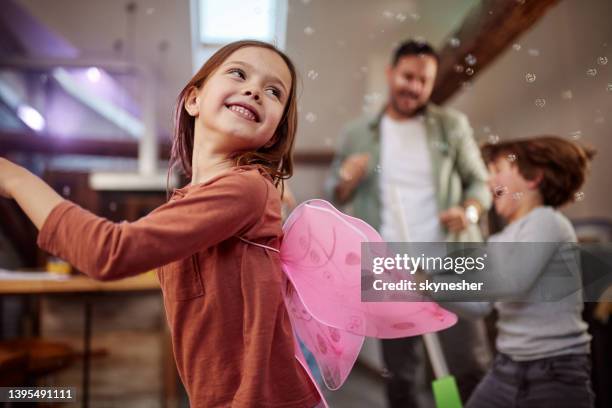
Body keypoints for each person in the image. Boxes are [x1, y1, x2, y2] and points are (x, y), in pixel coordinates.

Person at [0, 40, 322, 408]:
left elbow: (108, 252)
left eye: (274, 91)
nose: (254, 90)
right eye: (238, 73)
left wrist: (15, 179)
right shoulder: (193, 200)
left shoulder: (245, 188)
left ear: (276, 132)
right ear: (193, 99)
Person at [325, 39, 492, 406]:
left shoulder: (451, 126)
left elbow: (481, 183)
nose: (414, 86)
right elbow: (334, 193)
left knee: (468, 364)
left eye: (424, 80)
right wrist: (346, 181)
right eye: (408, 76)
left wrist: (468, 211)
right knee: (401, 373)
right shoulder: (357, 133)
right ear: (391, 73)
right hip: (389, 267)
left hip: (451, 261)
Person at [428, 136, 596, 408]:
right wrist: (427, 289)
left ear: (533, 179)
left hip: (554, 373)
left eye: (497, 170)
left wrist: (432, 283)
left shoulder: (548, 222)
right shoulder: (499, 241)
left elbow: (511, 282)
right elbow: (480, 304)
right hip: (506, 369)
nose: (488, 180)